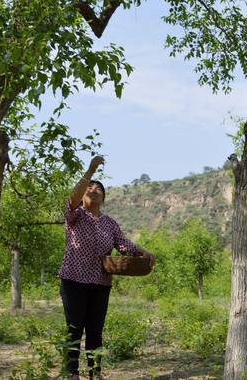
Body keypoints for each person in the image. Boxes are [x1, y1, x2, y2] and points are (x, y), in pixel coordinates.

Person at [59, 156, 155, 380]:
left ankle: (95, 372)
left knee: (95, 329)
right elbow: (71, 199)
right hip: (73, 279)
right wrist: (91, 170)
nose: (93, 189)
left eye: (98, 188)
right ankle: (72, 373)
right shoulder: (75, 215)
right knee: (74, 327)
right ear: (83, 195)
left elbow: (124, 245)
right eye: (89, 187)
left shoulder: (109, 223)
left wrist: (144, 253)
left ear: (103, 198)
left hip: (100, 283)